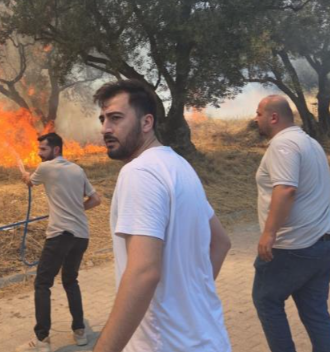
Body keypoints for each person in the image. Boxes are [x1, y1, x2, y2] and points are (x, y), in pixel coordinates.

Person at [92, 80, 232, 352]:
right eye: (103, 119)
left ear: (146, 123)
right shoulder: (179, 166)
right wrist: (185, 302)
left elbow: (144, 272)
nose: (105, 128)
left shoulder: (140, 173)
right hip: (209, 340)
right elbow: (221, 243)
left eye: (116, 118)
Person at [252, 95, 330, 352]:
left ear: (274, 117)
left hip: (293, 248)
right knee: (316, 314)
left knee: (266, 300)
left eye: (258, 113)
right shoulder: (310, 143)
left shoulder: (283, 145)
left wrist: (269, 234)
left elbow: (286, 189)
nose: (255, 119)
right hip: (324, 245)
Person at [15, 132, 102, 352]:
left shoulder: (46, 168)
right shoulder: (77, 169)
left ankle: (42, 340)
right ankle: (80, 333)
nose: (39, 153)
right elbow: (96, 199)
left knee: (43, 283)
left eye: (43, 149)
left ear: (55, 150)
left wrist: (21, 170)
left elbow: (29, 182)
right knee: (70, 281)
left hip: (60, 235)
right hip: (81, 235)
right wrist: (76, 210)